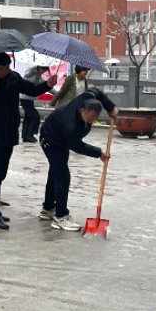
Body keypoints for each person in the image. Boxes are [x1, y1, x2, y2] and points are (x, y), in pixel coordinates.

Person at [0, 53, 57, 229]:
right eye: (0, 69)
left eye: (6, 68)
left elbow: (31, 90)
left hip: (9, 132)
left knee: (0, 174)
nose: (4, 72)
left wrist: (47, 85)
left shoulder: (13, 78)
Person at [39, 87, 118, 231]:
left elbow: (97, 91)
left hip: (59, 137)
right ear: (82, 111)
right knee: (62, 176)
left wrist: (110, 107)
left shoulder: (89, 96)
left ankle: (48, 208)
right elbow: (78, 146)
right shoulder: (71, 125)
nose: (92, 122)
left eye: (95, 119)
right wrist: (99, 153)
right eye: (89, 119)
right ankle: (60, 217)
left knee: (56, 172)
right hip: (51, 140)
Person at [20, 66, 50, 143]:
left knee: (28, 117)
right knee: (35, 116)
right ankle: (30, 135)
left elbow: (45, 84)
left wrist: (56, 92)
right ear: (39, 68)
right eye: (43, 71)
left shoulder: (38, 76)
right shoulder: (30, 73)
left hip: (29, 99)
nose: (43, 73)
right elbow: (27, 77)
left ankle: (25, 136)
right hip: (25, 98)